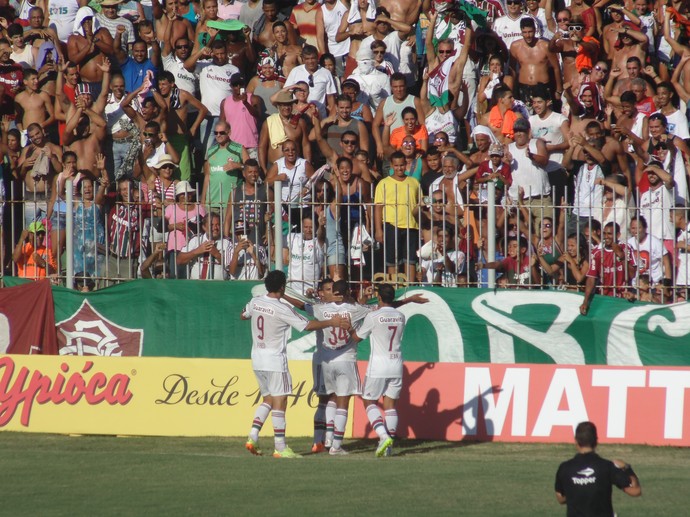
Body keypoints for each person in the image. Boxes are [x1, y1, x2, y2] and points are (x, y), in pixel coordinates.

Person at [241, 269, 348, 459]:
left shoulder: (256, 301)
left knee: (267, 399)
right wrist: (331, 322)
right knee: (280, 402)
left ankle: (253, 436)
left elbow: (244, 314)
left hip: (257, 358)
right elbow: (307, 325)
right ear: (282, 287)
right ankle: (280, 447)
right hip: (274, 360)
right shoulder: (282, 308)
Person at [351, 283, 405, 457]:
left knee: (368, 401)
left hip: (378, 365)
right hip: (396, 364)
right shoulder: (401, 316)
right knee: (390, 407)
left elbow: (357, 338)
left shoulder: (374, 316)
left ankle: (383, 436)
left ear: (379, 298)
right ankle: (388, 447)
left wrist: (348, 327)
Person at [555, 421, 641, 515]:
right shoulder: (607, 466)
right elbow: (635, 491)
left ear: (576, 441)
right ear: (596, 441)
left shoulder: (565, 468)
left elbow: (561, 498)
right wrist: (627, 468)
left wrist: (579, 489)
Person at [580, 222, 636, 315]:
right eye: (604, 233)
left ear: (618, 235)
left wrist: (621, 256)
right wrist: (585, 301)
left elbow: (632, 274)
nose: (606, 236)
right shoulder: (597, 252)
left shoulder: (626, 248)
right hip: (604, 298)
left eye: (609, 234)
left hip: (623, 297)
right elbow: (591, 278)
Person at [176, 212, 229, 280]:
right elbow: (179, 260)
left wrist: (217, 255)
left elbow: (232, 268)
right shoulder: (196, 240)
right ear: (204, 227)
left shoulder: (227, 242)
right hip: (197, 286)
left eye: (218, 224)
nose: (215, 228)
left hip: (219, 286)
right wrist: (197, 251)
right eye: (211, 225)